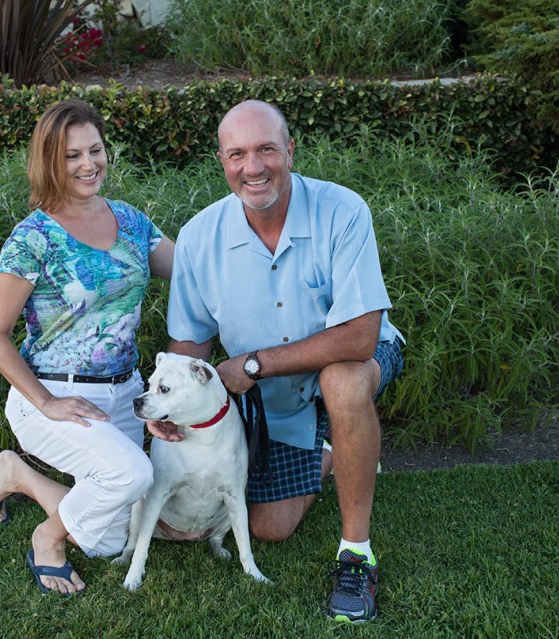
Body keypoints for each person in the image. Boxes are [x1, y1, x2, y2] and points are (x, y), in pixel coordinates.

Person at [148, 100, 404, 623]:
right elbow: (190, 347)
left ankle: (356, 556)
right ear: (222, 161)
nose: (254, 166)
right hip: (277, 395)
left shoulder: (343, 210)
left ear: (290, 150)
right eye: (238, 153)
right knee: (271, 526)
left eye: (267, 149)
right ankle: (336, 447)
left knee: (344, 381)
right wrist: (166, 407)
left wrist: (255, 365)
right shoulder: (200, 237)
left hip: (354, 357)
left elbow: (359, 335)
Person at [0, 99, 174, 595]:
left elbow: (190, 271)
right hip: (55, 397)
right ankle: (47, 537)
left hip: (126, 391)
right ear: (49, 163)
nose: (87, 164)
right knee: (132, 475)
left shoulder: (132, 221)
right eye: (71, 155)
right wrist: (47, 402)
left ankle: (18, 475)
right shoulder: (33, 238)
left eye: (94, 150)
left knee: (110, 537)